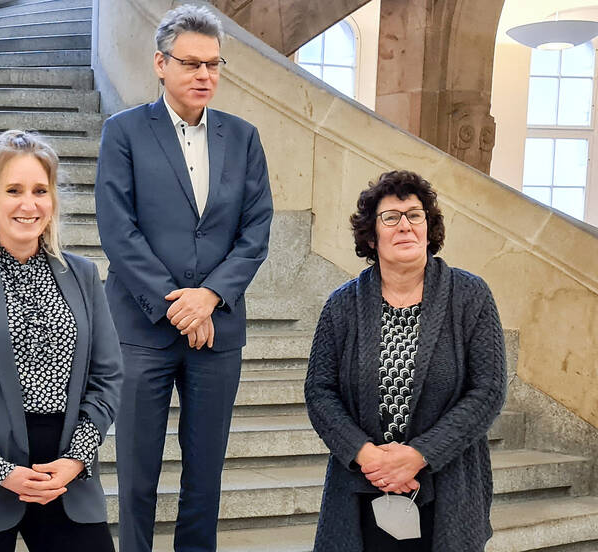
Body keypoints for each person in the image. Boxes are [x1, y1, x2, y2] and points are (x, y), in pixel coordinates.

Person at [94, 4, 273, 551]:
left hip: (216, 331)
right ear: (160, 64)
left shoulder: (243, 138)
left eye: (213, 64)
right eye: (192, 64)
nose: (204, 75)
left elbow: (256, 227)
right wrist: (177, 304)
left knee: (205, 474)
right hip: (143, 329)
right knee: (137, 472)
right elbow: (117, 230)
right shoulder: (123, 132)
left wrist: (211, 296)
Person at [0, 130, 122, 552]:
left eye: (39, 190)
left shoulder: (82, 274)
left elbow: (107, 378)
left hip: (66, 477)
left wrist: (75, 460)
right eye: (13, 190)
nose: (28, 204)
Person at [304, 170, 506, 551]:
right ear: (371, 234)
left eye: (415, 215)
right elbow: (319, 392)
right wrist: (367, 457)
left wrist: (418, 455)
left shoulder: (470, 296)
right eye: (391, 217)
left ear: (429, 229)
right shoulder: (341, 306)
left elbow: (489, 391)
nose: (405, 226)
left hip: (448, 488)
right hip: (361, 486)